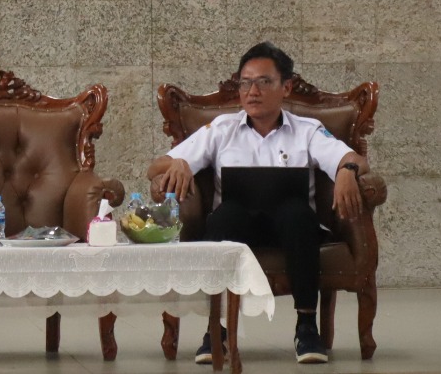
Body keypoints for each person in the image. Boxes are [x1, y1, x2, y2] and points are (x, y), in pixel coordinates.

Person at [148, 42, 368, 365]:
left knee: (297, 213)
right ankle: (217, 330)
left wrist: (347, 170)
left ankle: (307, 327)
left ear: (286, 87)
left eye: (264, 82)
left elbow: (355, 159)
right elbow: (155, 166)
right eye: (246, 83)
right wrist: (177, 163)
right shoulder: (221, 129)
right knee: (224, 217)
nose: (252, 91)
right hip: (237, 227)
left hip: (292, 230)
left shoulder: (307, 131)